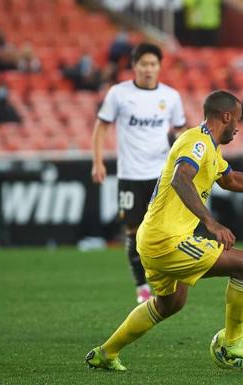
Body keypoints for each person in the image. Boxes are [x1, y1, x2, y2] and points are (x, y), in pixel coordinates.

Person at [85, 90, 243, 371]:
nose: (238, 129)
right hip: (167, 239)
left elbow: (232, 180)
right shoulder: (196, 142)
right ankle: (233, 340)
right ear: (226, 116)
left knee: (169, 304)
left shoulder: (209, 146)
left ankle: (106, 353)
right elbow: (180, 179)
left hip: (154, 238)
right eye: (239, 121)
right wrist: (212, 223)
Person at [91, 43, 187, 304]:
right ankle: (141, 286)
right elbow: (101, 127)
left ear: (159, 66)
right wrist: (97, 162)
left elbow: (180, 131)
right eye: (143, 64)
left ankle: (165, 279)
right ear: (134, 66)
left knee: (165, 229)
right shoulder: (119, 94)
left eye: (153, 64)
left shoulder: (170, 96)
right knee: (133, 230)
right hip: (131, 174)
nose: (148, 69)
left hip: (161, 175)